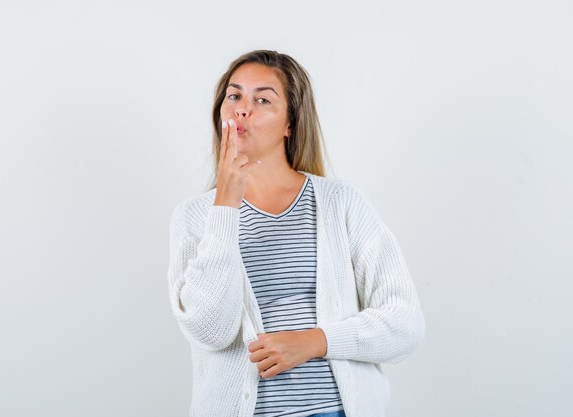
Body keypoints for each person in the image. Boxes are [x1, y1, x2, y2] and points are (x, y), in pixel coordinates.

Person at [167, 49, 426, 417]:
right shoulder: (194, 216)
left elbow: (405, 323)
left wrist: (315, 341)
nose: (243, 109)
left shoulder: (342, 203)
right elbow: (211, 331)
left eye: (262, 100)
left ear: (290, 123)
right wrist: (225, 204)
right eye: (234, 96)